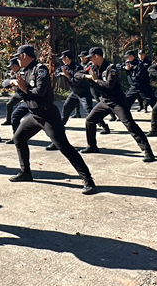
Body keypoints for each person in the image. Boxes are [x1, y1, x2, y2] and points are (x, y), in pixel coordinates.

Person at [8, 45, 96, 195]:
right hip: (34, 115)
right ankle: (25, 172)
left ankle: (88, 180)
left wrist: (24, 88)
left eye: (18, 56)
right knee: (19, 138)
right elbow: (6, 82)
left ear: (24, 55)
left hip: (48, 115)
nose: (17, 60)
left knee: (63, 146)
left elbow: (40, 92)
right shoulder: (24, 71)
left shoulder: (40, 70)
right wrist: (13, 83)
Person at [82, 48, 155, 161]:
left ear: (97, 56)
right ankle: (92, 146)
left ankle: (147, 151)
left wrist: (96, 80)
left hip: (117, 101)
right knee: (90, 121)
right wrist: (85, 76)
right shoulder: (93, 67)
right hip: (105, 101)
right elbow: (79, 74)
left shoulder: (111, 68)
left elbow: (109, 85)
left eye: (91, 57)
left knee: (129, 124)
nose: (89, 60)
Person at [121, 50, 157, 123]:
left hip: (144, 86)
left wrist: (153, 79)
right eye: (139, 54)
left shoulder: (144, 63)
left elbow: (149, 71)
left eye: (128, 57)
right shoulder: (128, 63)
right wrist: (125, 68)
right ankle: (124, 117)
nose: (127, 58)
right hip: (134, 86)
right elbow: (118, 66)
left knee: (152, 101)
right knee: (126, 101)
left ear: (132, 56)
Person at [1, 58, 22, 127]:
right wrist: (11, 80)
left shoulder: (21, 72)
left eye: (11, 66)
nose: (11, 68)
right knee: (9, 104)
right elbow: (5, 83)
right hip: (19, 93)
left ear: (15, 66)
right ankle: (8, 120)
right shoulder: (16, 73)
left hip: (26, 93)